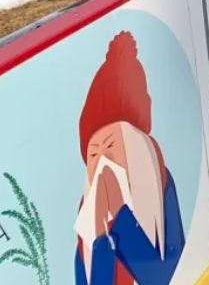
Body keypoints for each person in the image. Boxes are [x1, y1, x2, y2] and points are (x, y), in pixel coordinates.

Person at [76, 32, 184, 285]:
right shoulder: (87, 214)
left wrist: (121, 217)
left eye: (111, 145)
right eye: (93, 154)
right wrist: (101, 237)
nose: (103, 162)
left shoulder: (161, 185)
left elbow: (161, 274)